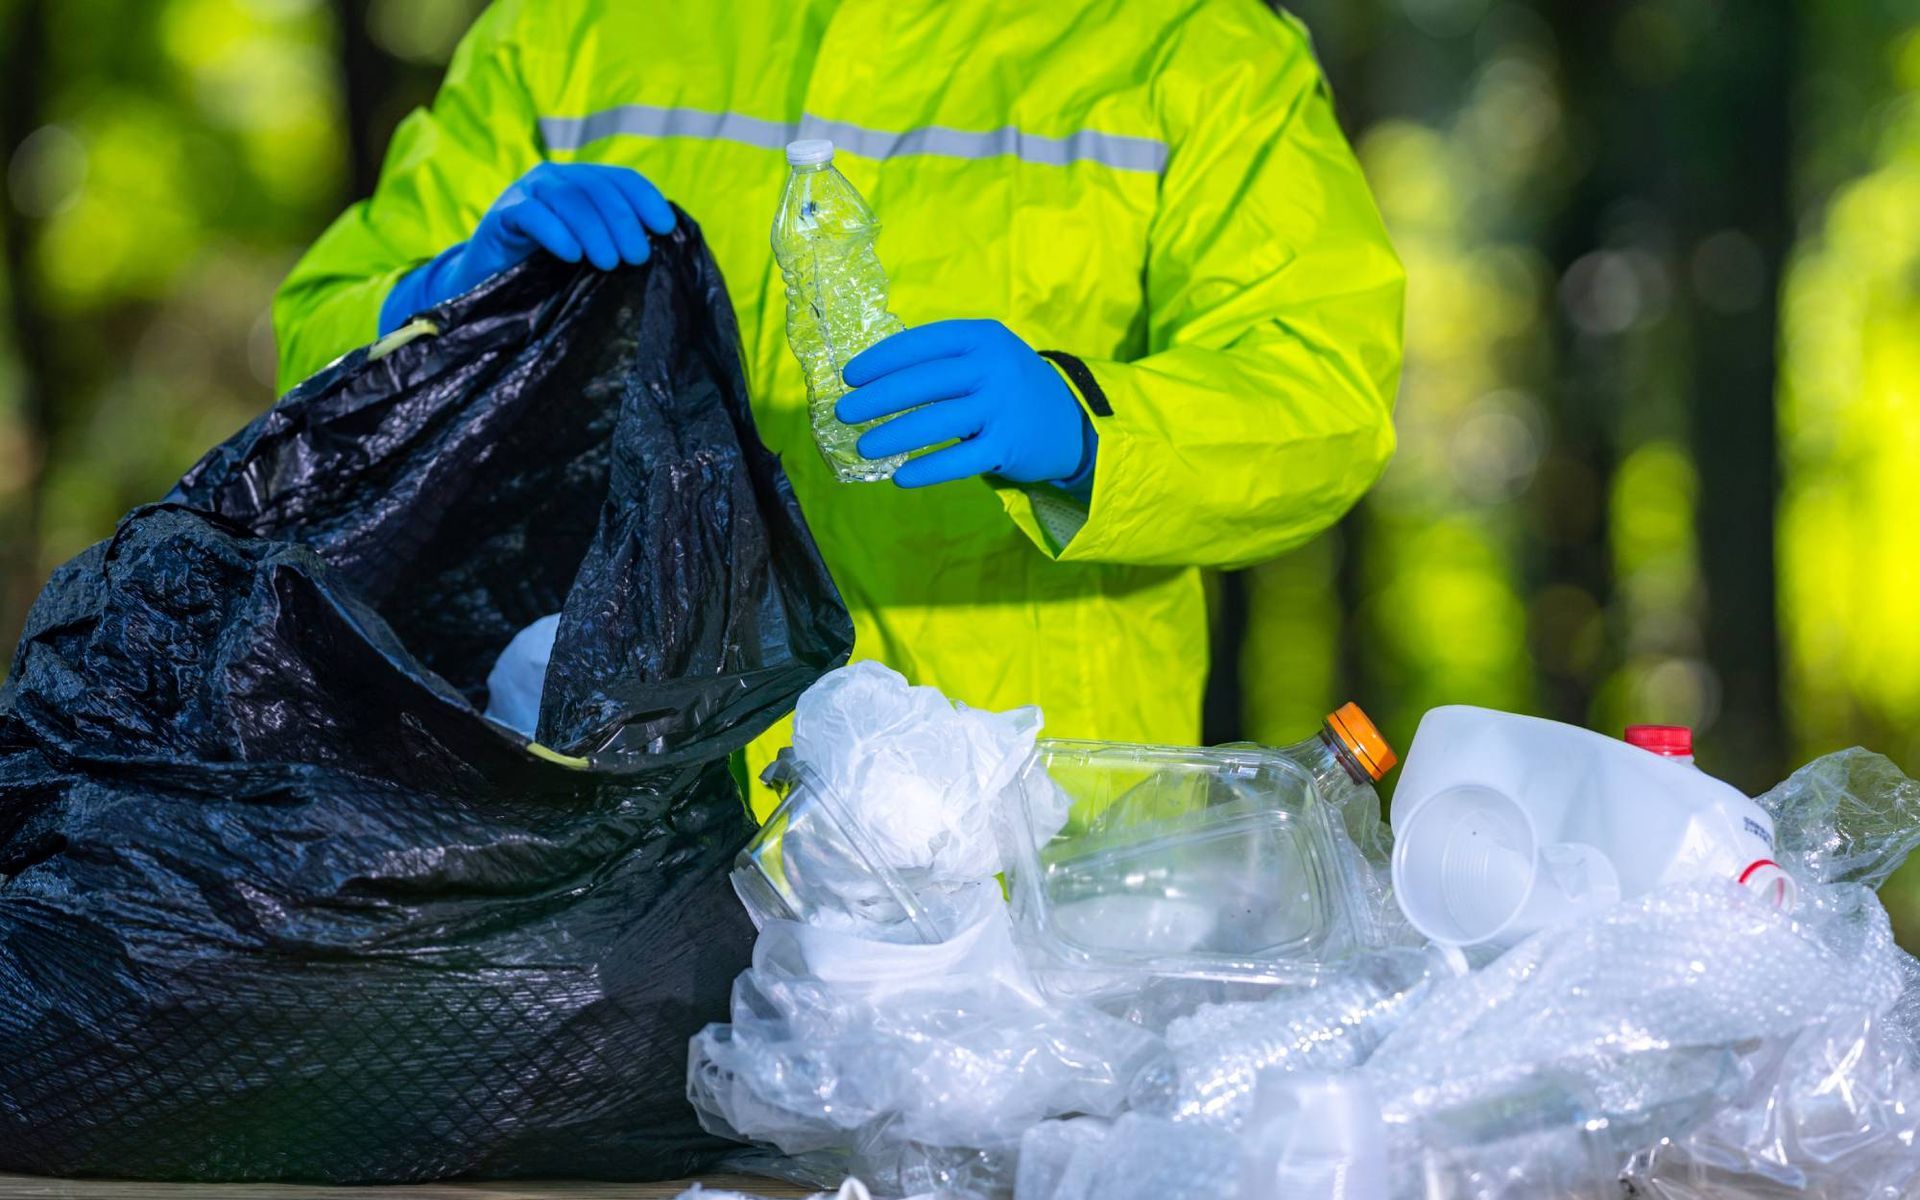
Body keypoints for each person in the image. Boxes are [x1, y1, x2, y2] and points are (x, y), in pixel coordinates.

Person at [274, 0, 1404, 812]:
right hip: (621, 828)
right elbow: (319, 337)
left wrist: (1084, 422)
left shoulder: (1192, 47)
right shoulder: (569, 32)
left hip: (1030, 848)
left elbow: (1322, 388)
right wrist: (446, 298)